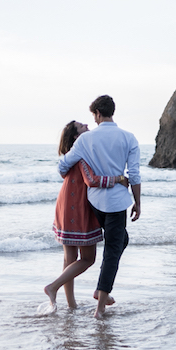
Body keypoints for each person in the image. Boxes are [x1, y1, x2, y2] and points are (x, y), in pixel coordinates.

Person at [56, 95, 141, 318]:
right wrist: (138, 203)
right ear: (111, 111)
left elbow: (63, 164)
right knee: (112, 250)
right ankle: (100, 305)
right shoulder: (129, 138)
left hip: (93, 203)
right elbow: (134, 175)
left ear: (97, 114)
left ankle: (97, 293)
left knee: (120, 240)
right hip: (116, 202)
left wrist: (69, 174)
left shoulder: (86, 140)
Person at [44, 120, 128, 309]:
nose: (87, 126)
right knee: (88, 259)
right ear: (76, 136)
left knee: (69, 259)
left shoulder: (70, 155)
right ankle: (53, 287)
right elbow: (91, 180)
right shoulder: (82, 154)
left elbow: (63, 171)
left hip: (66, 204)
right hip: (77, 206)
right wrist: (119, 179)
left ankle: (71, 305)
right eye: (83, 126)